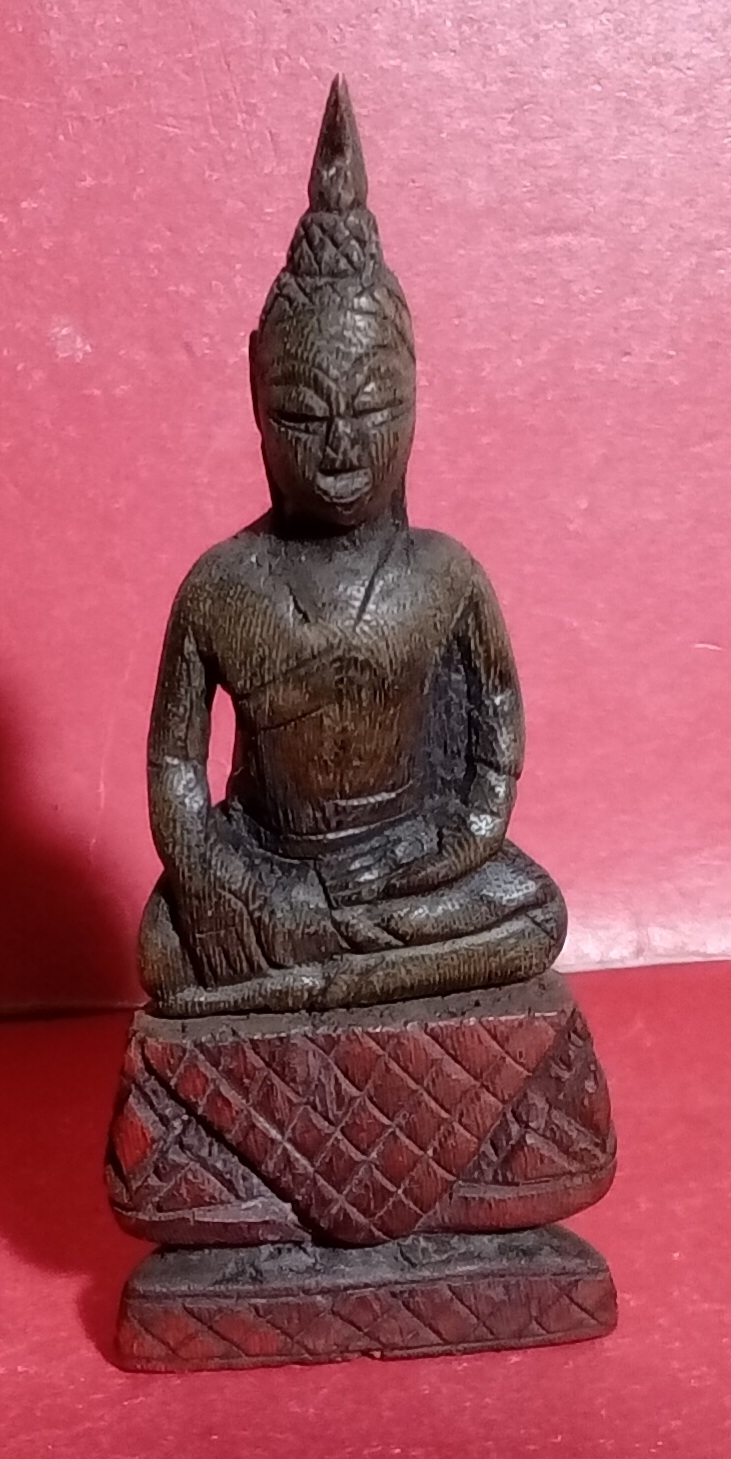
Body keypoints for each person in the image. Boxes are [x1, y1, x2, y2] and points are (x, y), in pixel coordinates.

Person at [139, 77, 566, 1015]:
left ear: (413, 400)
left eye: (371, 407)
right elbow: (175, 766)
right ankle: (325, 966)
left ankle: (318, 978)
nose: (339, 446)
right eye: (302, 412)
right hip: (271, 866)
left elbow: (495, 730)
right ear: (256, 400)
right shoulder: (220, 585)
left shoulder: (444, 574)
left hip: (409, 868)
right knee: (164, 944)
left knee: (535, 913)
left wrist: (459, 844)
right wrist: (228, 883)